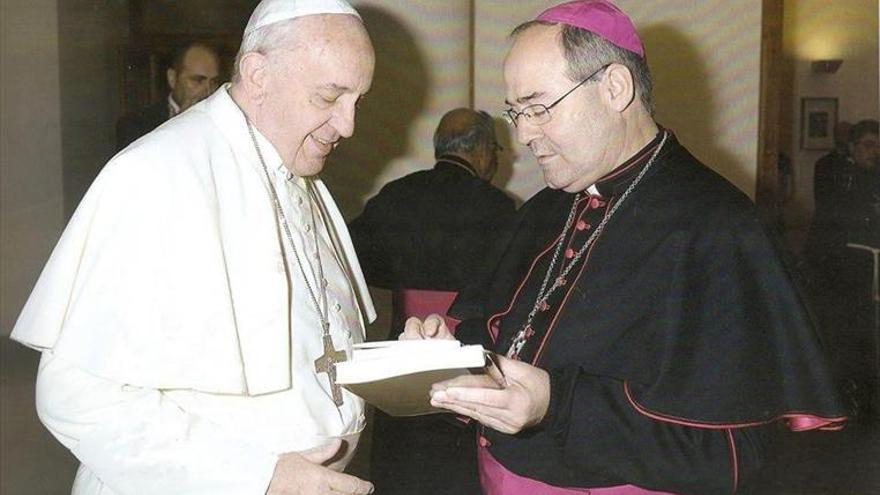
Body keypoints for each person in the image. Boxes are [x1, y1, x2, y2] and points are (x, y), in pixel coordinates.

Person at [402, 1, 847, 494]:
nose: (524, 133)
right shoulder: (543, 209)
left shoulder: (717, 226)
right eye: (516, 112)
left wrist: (556, 404)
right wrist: (449, 357)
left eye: (538, 107)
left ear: (615, 88)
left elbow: (734, 454)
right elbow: (499, 329)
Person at [11, 1, 378, 494]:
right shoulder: (157, 172)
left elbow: (314, 343)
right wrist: (258, 477)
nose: (350, 126)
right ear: (258, 73)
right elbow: (75, 395)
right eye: (329, 97)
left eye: (358, 100)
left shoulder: (298, 176)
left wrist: (407, 368)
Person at [349, 108, 515, 495]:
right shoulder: (498, 207)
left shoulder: (397, 194)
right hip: (465, 359)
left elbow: (353, 261)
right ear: (480, 150)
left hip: (402, 357)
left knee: (401, 469)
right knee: (459, 475)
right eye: (495, 150)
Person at [804, 119, 879, 420]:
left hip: (871, 266)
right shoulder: (836, 173)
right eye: (868, 145)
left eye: (879, 146)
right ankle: (843, 394)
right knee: (843, 332)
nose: (874, 152)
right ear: (853, 147)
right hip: (843, 265)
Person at [116, 41, 221, 149]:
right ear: (172, 78)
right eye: (197, 80)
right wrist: (182, 123)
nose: (208, 91)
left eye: (213, 82)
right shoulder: (136, 124)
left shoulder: (223, 124)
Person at [813, 120, 853, 208]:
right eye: (840, 134)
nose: (843, 137)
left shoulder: (859, 162)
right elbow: (820, 198)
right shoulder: (823, 164)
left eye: (847, 134)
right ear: (835, 136)